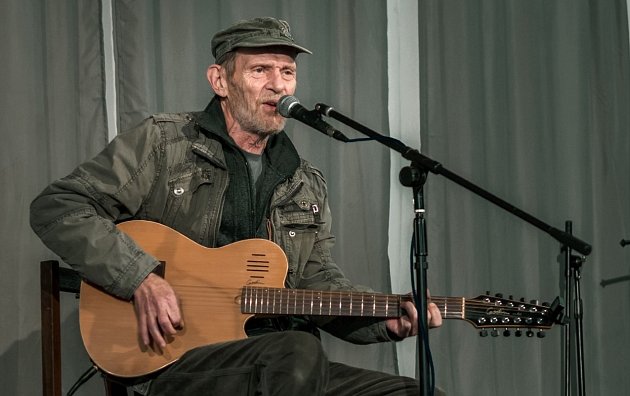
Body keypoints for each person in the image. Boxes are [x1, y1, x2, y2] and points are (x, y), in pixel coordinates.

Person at [30, 17, 442, 395]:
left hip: (287, 367)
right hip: (180, 363)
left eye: (287, 72)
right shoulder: (164, 144)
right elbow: (60, 206)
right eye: (260, 70)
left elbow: (316, 282)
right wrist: (141, 278)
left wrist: (383, 321)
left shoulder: (303, 180)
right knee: (296, 353)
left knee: (417, 394)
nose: (278, 85)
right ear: (220, 81)